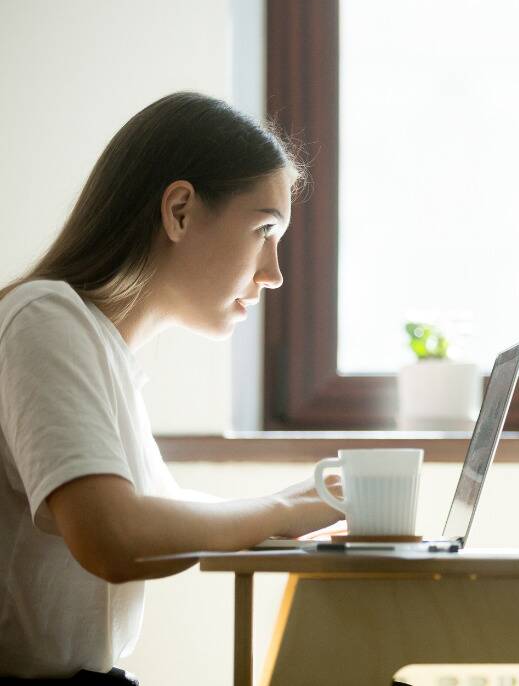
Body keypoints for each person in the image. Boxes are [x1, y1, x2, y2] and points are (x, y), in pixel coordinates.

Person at [0, 92, 343, 683]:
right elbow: (114, 536)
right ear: (179, 210)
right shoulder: (44, 319)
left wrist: (298, 505)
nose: (275, 272)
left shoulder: (100, 349)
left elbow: (162, 512)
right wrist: (282, 510)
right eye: (264, 229)